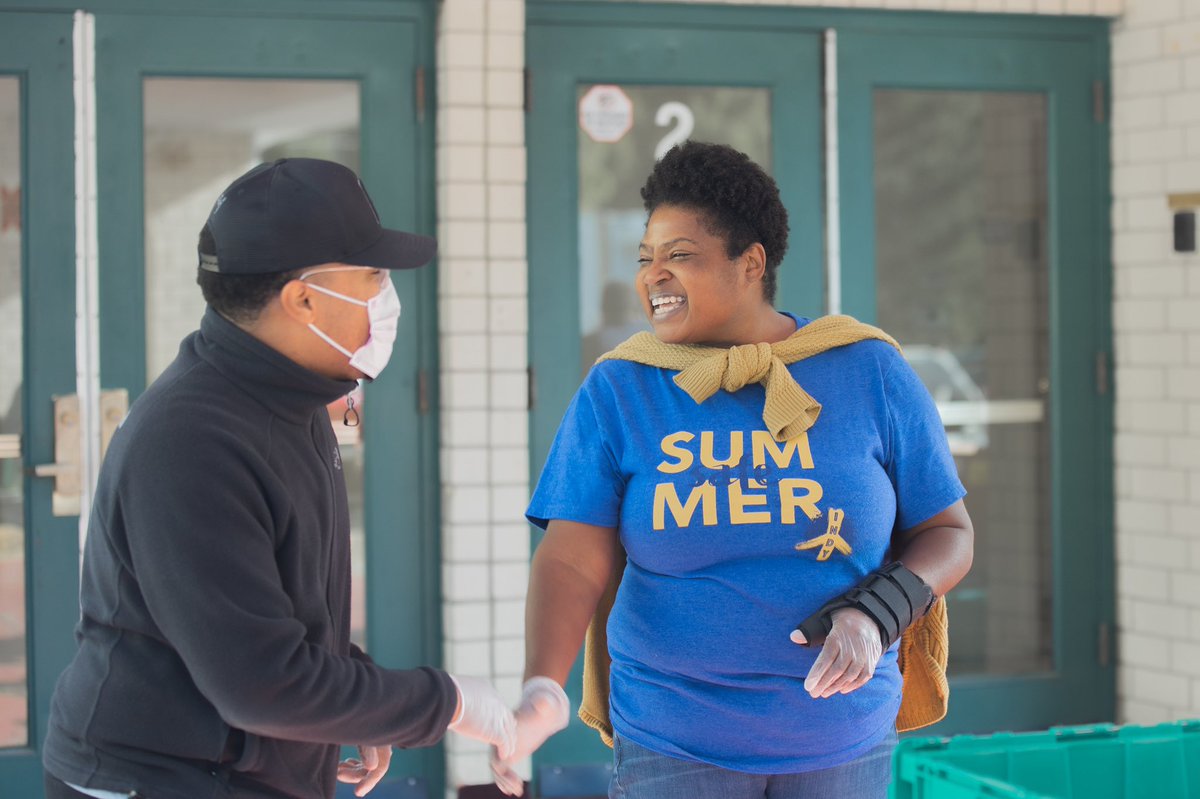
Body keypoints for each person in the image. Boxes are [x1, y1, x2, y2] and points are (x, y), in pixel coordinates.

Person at [490, 141, 974, 799]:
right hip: (674, 748)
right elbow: (572, 560)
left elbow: (948, 531)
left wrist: (880, 611)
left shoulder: (868, 371)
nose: (652, 276)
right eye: (645, 259)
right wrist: (542, 692)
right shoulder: (623, 387)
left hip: (844, 743)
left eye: (679, 256)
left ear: (750, 263)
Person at [42, 159, 515, 799]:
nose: (386, 295)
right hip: (156, 777)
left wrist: (357, 700)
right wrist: (449, 702)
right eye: (372, 274)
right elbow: (261, 684)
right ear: (303, 299)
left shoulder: (292, 394)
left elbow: (283, 611)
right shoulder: (193, 441)